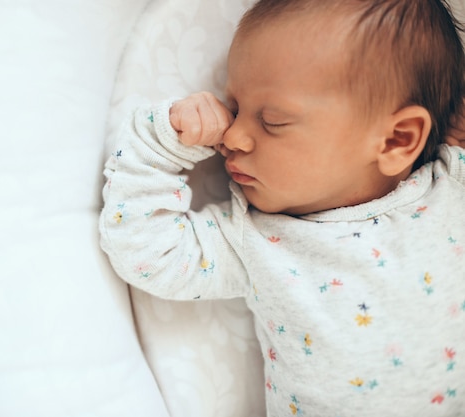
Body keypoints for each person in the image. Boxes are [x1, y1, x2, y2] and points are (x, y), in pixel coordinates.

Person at [100, 0, 465, 415]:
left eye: (272, 120)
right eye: (234, 110)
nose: (234, 136)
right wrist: (161, 143)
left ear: (397, 140)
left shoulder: (452, 186)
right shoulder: (257, 239)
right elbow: (146, 253)